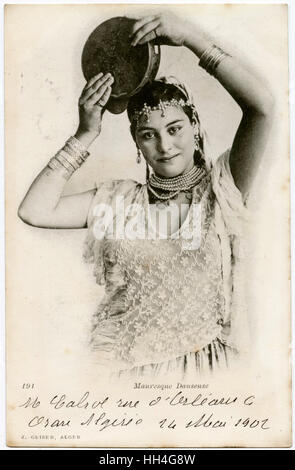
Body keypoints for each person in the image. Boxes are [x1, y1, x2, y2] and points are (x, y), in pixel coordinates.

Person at [18, 13, 274, 379]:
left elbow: (262, 108)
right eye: (148, 134)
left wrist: (191, 37)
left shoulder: (223, 189)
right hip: (121, 374)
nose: (165, 146)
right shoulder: (120, 201)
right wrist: (86, 132)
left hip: (206, 376)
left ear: (196, 128)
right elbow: (34, 211)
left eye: (174, 129)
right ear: (136, 143)